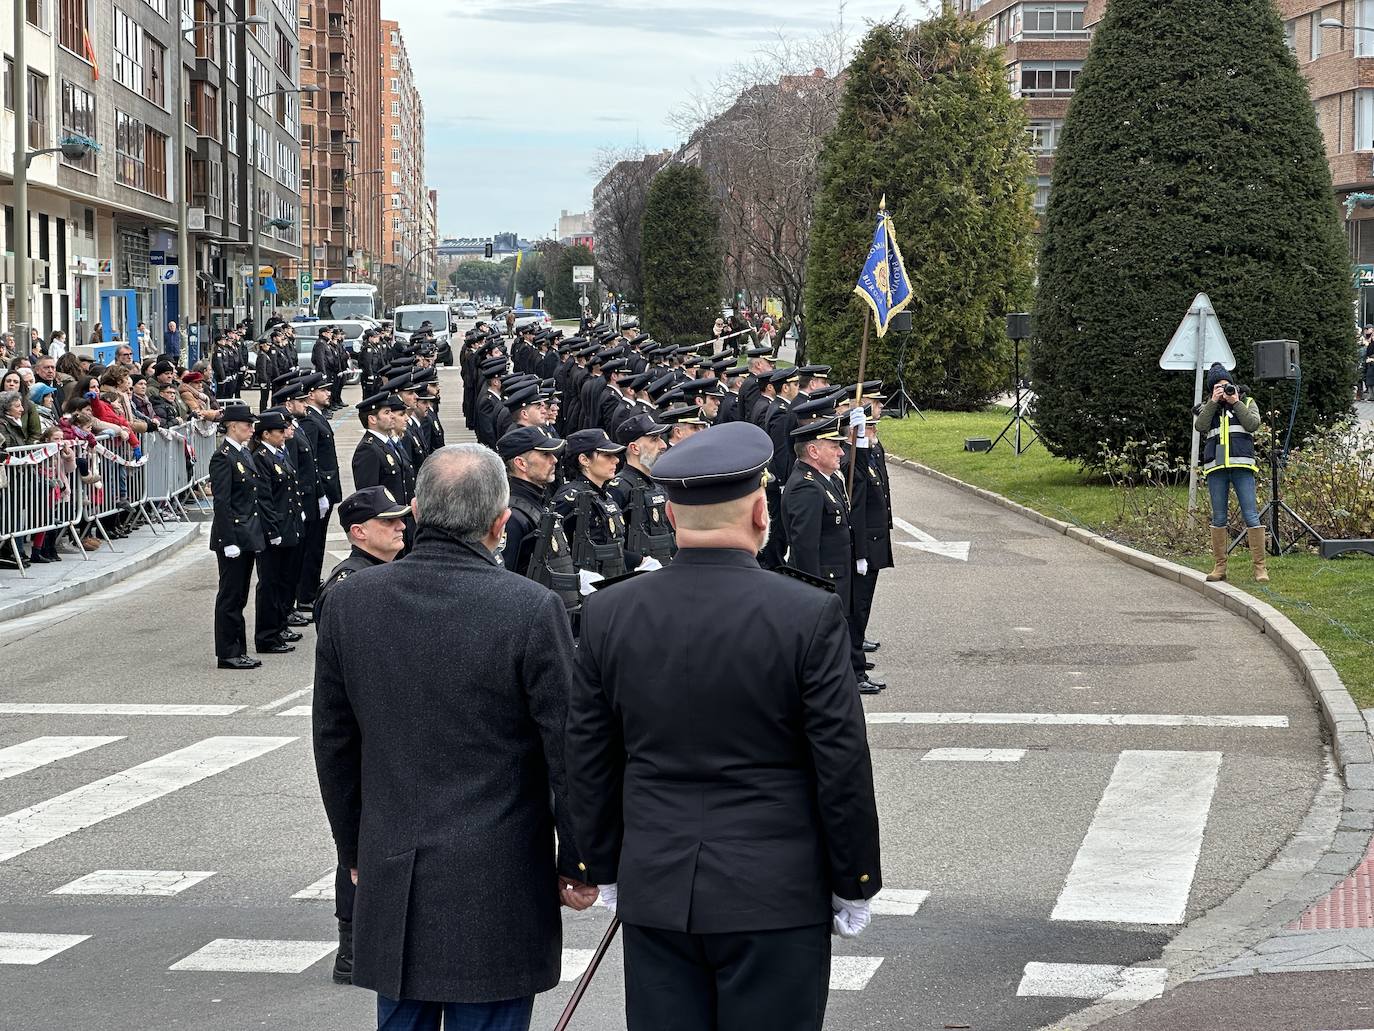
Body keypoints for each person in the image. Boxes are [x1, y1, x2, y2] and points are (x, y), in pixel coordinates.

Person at [565, 422, 882, 1031]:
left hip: (657, 885)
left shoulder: (610, 611)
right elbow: (840, 763)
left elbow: (590, 755)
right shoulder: (807, 613)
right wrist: (854, 878)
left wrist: (598, 865)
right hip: (775, 891)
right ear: (762, 511)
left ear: (674, 517)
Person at [313, 444, 596, 1030]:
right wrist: (580, 859)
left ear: (415, 510)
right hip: (500, 871)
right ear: (499, 523)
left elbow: (334, 744)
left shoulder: (350, 602)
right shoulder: (529, 607)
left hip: (394, 862)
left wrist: (353, 851)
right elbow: (567, 750)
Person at [310, 484, 409, 985]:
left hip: (387, 729)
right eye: (389, 522)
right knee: (356, 842)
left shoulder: (383, 576)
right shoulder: (348, 585)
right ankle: (350, 946)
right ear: (358, 532)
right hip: (365, 733)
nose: (400, 527)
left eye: (400, 519)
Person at [783, 413, 884, 694]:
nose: (841, 451)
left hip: (839, 579)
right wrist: (815, 595)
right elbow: (805, 549)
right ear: (813, 451)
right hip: (825, 583)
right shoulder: (806, 486)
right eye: (834, 446)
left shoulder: (827, 479)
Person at [1196, 362, 1267, 583]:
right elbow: (1200, 426)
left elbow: (1253, 424)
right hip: (1216, 467)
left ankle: (1260, 568)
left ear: (1234, 385)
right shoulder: (1208, 407)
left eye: (1227, 385)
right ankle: (1220, 567)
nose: (1224, 390)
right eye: (1218, 387)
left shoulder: (1246, 401)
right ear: (1212, 390)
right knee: (1218, 517)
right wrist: (1213, 402)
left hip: (1242, 465)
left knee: (1251, 514)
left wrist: (1235, 402)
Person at [208, 404, 265, 671]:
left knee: (239, 595)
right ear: (232, 426)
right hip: (233, 536)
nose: (251, 429)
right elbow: (222, 502)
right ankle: (228, 652)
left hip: (247, 533)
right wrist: (228, 539)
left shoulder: (243, 453)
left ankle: (238, 649)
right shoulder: (223, 457)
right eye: (247, 425)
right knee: (230, 596)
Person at [251, 409, 304, 654]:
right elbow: (264, 498)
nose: (285, 434)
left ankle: (280, 625)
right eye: (280, 431)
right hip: (274, 529)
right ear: (266, 434)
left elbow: (290, 489)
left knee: (285, 580)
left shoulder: (279, 454)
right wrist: (272, 529)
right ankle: (267, 635)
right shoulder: (261, 457)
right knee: (270, 583)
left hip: (289, 524)